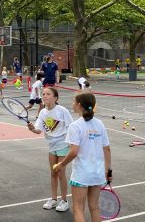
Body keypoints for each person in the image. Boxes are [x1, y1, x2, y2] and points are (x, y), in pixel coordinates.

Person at [53, 93, 112, 222]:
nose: (72, 103)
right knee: (94, 208)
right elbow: (107, 149)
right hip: (97, 173)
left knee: (78, 209)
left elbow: (74, 152)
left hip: (82, 174)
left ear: (79, 105)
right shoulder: (99, 124)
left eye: (74, 101)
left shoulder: (75, 126)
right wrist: (108, 171)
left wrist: (61, 164)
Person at [27, 87, 74, 212]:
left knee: (60, 173)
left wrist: (71, 144)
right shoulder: (42, 112)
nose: (45, 96)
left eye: (48, 94)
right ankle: (53, 199)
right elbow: (38, 130)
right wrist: (32, 128)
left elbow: (71, 127)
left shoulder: (62, 110)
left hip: (63, 145)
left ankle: (64, 201)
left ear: (55, 98)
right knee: (53, 173)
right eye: (43, 94)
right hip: (51, 146)